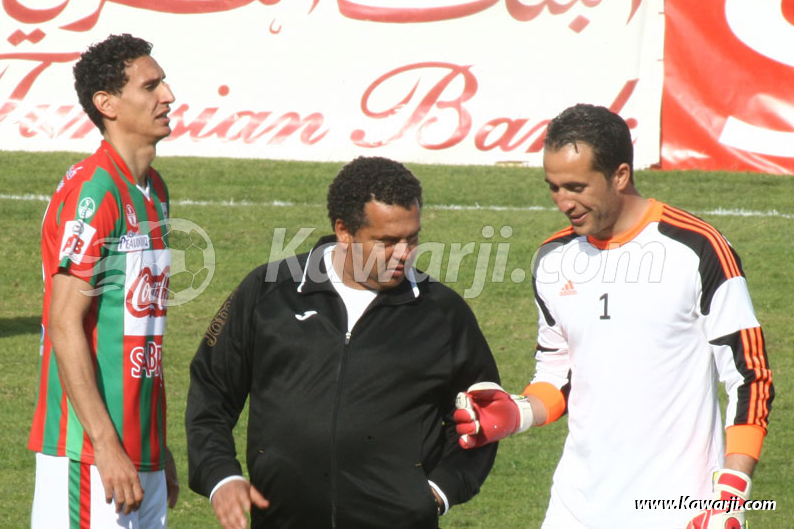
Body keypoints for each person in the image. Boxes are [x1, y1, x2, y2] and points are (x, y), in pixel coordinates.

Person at [453, 104, 773, 528]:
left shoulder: (698, 249)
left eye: (576, 186)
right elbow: (559, 377)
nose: (564, 202)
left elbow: (750, 376)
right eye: (553, 187)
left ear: (620, 175)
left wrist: (731, 494)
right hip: (575, 508)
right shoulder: (552, 261)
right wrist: (515, 414)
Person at [186, 156, 500, 529]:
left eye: (411, 238)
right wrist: (220, 474)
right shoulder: (268, 292)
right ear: (344, 232)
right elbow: (211, 393)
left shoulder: (442, 314)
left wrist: (437, 492)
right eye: (386, 242)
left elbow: (484, 416)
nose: (404, 253)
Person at [28, 33, 179, 528]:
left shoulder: (154, 190)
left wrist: (156, 443)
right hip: (91, 456)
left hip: (141, 450)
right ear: (107, 103)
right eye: (151, 86)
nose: (168, 96)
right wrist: (107, 445)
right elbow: (65, 323)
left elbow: (140, 330)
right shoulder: (95, 195)